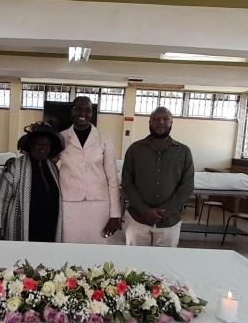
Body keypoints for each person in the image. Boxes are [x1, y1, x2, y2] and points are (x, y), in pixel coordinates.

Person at [121, 106, 194, 247]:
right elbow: (127, 183)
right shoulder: (135, 149)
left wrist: (164, 211)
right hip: (137, 220)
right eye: (156, 119)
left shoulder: (183, 152)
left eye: (166, 119)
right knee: (134, 263)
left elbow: (187, 186)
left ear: (171, 123)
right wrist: (144, 210)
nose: (161, 122)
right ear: (150, 122)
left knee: (164, 265)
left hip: (169, 223)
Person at [58, 96, 121, 244]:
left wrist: (115, 214)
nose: (83, 113)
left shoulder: (104, 139)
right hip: (69, 204)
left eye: (88, 110)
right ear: (72, 111)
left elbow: (113, 179)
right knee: (69, 248)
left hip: (99, 205)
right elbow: (45, 160)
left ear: (92, 113)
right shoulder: (61, 137)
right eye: (78, 109)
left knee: (97, 251)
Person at [0, 122, 64, 242]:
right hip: (23, 230)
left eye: (47, 145)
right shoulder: (15, 166)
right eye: (38, 144)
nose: (43, 148)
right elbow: (2, 199)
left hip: (49, 230)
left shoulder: (53, 167)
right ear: (30, 145)